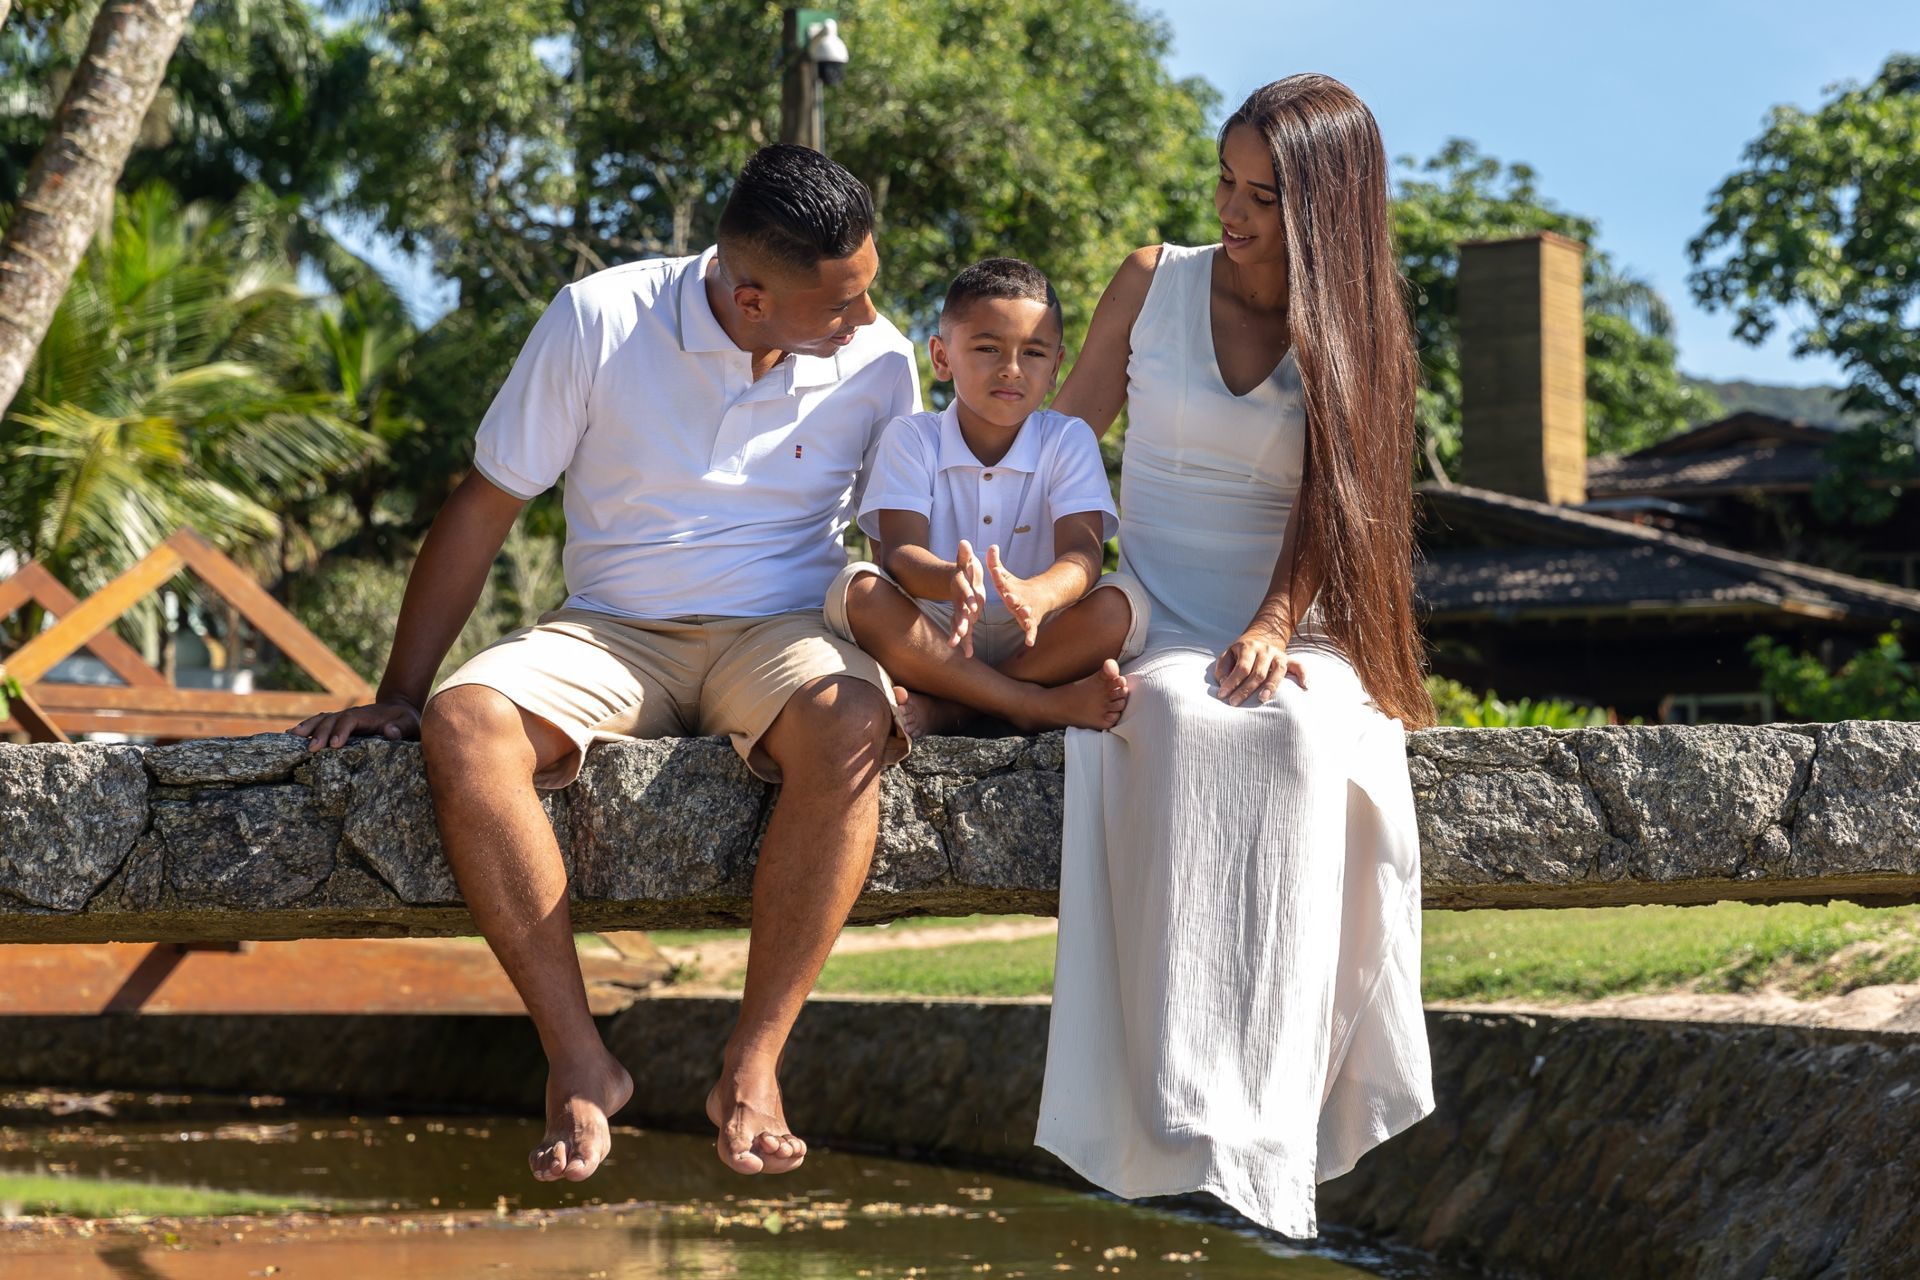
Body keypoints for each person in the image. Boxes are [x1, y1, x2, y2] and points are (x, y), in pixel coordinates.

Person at [291, 144, 921, 1184]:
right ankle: (579, 1058)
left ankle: (754, 1060)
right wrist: (402, 693)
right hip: (610, 630)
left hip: (780, 625)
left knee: (855, 719)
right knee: (464, 722)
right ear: (751, 295)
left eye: (869, 288)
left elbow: (906, 544)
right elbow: (486, 504)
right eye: (841, 302)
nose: (866, 319)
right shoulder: (599, 317)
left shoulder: (882, 359)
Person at [1035, 75, 1436, 1238]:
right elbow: (1067, 448)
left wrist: (1271, 622)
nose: (1235, 209)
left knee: (1306, 731)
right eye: (1226, 179)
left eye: (1264, 194)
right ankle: (1182, 1101)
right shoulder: (1154, 280)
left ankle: (1269, 1120)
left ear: (1327, 209)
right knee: (1163, 720)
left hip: (1288, 609)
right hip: (1154, 603)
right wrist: (1047, 582)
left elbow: (1336, 503)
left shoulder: (1358, 321)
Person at [824, 257, 1147, 737]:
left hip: (1040, 634)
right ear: (941, 357)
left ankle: (954, 710)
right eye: (988, 348)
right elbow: (896, 552)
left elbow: (1083, 554)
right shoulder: (912, 436)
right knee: (858, 591)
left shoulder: (1068, 438)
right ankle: (1027, 703)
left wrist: (1039, 593)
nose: (1012, 370)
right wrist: (950, 579)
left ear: (1057, 366)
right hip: (936, 628)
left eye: (1034, 353)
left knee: (1123, 604)